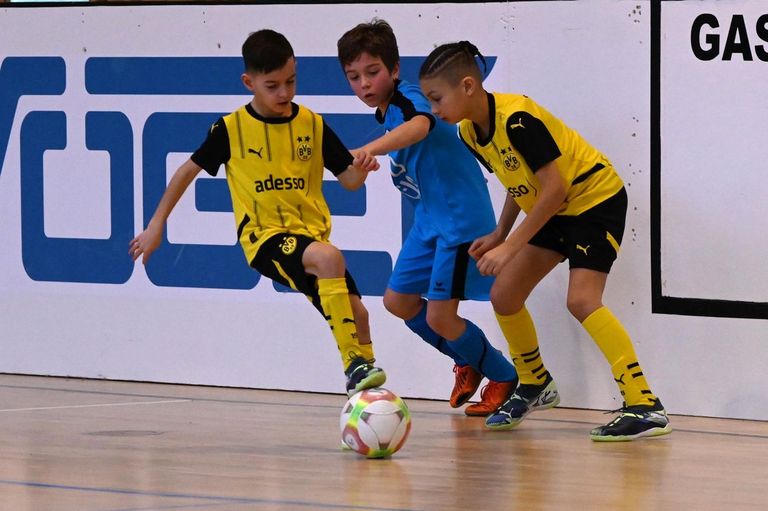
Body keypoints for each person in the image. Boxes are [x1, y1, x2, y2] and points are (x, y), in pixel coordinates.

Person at [418, 41, 672, 441]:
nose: (434, 109)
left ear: (468, 86)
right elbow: (517, 180)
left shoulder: (518, 119)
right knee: (504, 295)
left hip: (593, 199)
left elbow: (553, 188)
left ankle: (644, 404)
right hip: (554, 207)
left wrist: (510, 247)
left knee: (582, 300)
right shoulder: (469, 132)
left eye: (436, 98)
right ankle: (535, 383)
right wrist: (500, 232)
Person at [129, 29, 386, 397]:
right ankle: (354, 366)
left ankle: (365, 403)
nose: (284, 93)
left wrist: (362, 167)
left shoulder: (312, 123)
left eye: (291, 81)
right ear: (249, 82)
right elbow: (186, 171)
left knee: (359, 315)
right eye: (272, 85)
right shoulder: (230, 129)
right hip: (264, 239)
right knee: (330, 258)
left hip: (310, 236)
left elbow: (348, 180)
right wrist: (156, 226)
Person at [337, 20, 518, 416]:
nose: (364, 84)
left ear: (395, 69)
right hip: (428, 224)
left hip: (459, 221)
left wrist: (369, 150)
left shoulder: (409, 97)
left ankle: (502, 374)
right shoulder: (385, 113)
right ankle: (467, 358)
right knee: (398, 301)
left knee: (440, 315)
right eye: (354, 77)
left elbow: (421, 126)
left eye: (372, 72)